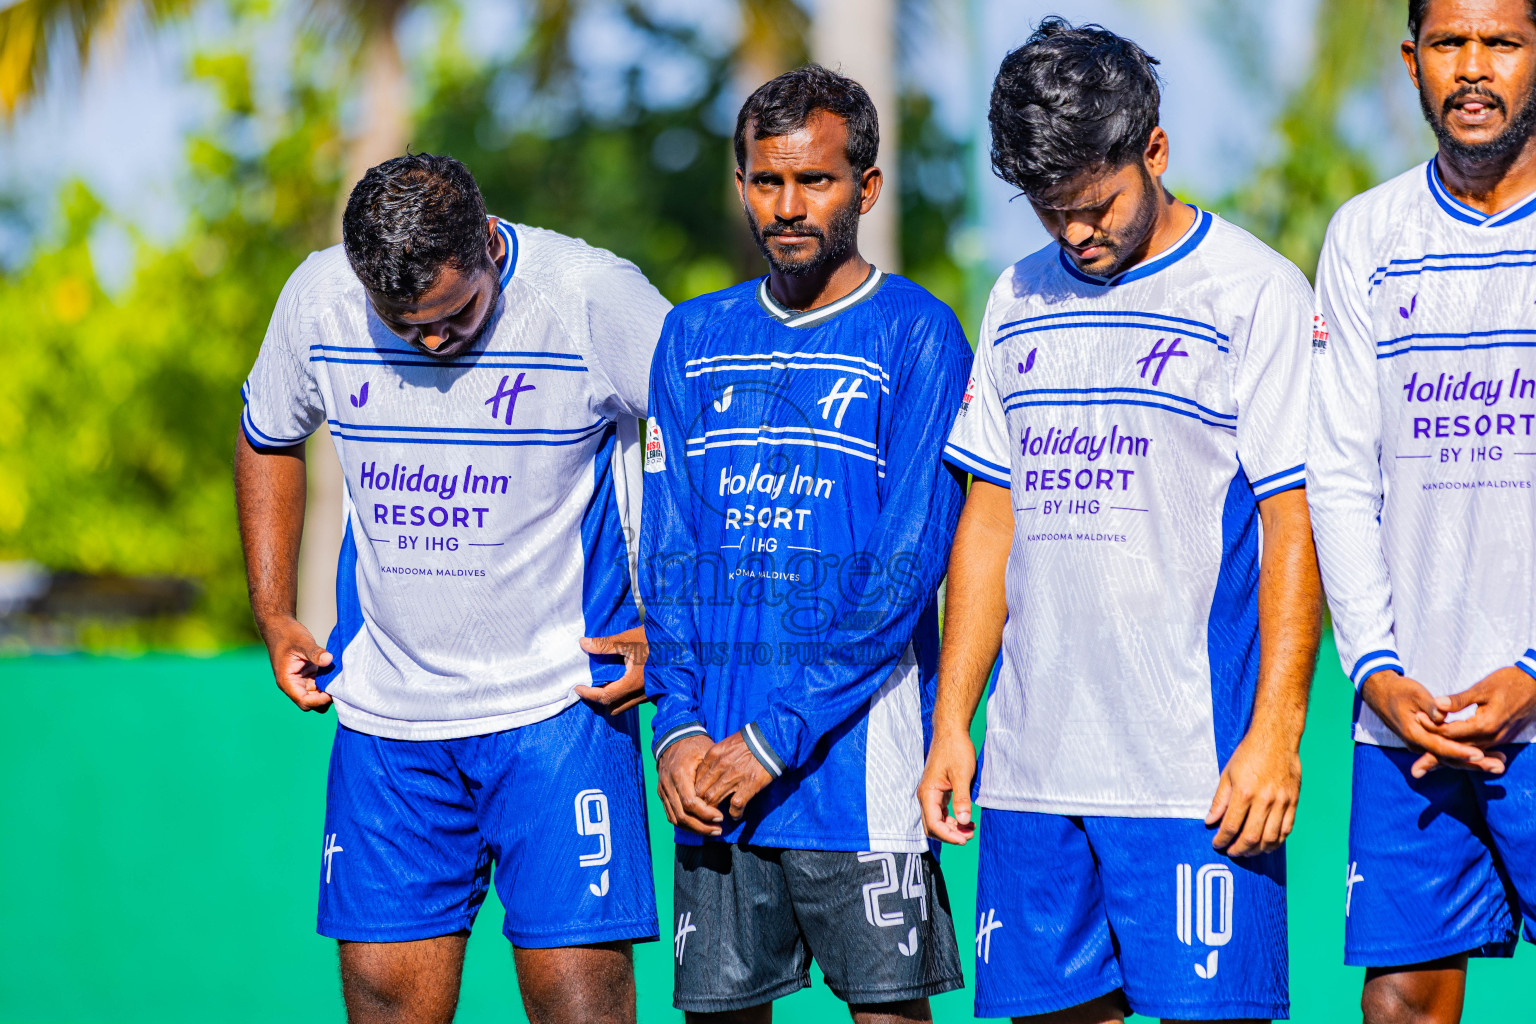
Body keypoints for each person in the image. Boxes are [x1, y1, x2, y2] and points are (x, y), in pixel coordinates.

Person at [918, 19, 1323, 1024]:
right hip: (1032, 772)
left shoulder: (1255, 294)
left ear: (1156, 151)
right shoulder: (1016, 295)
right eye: (1051, 213)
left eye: (1093, 207)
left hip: (1194, 776)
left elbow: (1293, 524)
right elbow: (989, 521)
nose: (1074, 235)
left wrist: (1276, 732)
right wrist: (952, 725)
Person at [234, 153, 670, 1024]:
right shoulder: (318, 299)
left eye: (452, 314)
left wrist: (674, 626)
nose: (431, 343)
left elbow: (717, 438)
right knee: (387, 1003)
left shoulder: (592, 296)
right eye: (405, 325)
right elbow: (267, 435)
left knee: (577, 1003)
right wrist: (274, 609)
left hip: (562, 708)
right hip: (388, 722)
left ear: (490, 245)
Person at [640, 66, 970, 1022]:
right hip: (715, 775)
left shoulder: (918, 334)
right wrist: (680, 728)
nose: (787, 207)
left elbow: (904, 570)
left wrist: (773, 737)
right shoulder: (692, 335)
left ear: (865, 189)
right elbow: (671, 552)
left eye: (814, 181)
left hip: (856, 771)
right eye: (765, 181)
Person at [1308, 0, 1536, 1018]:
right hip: (1412, 716)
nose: (1474, 68)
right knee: (1402, 998)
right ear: (1412, 62)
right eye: (1450, 43)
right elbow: (1341, 472)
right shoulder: (1366, 235)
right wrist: (1378, 670)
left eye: (1503, 42)